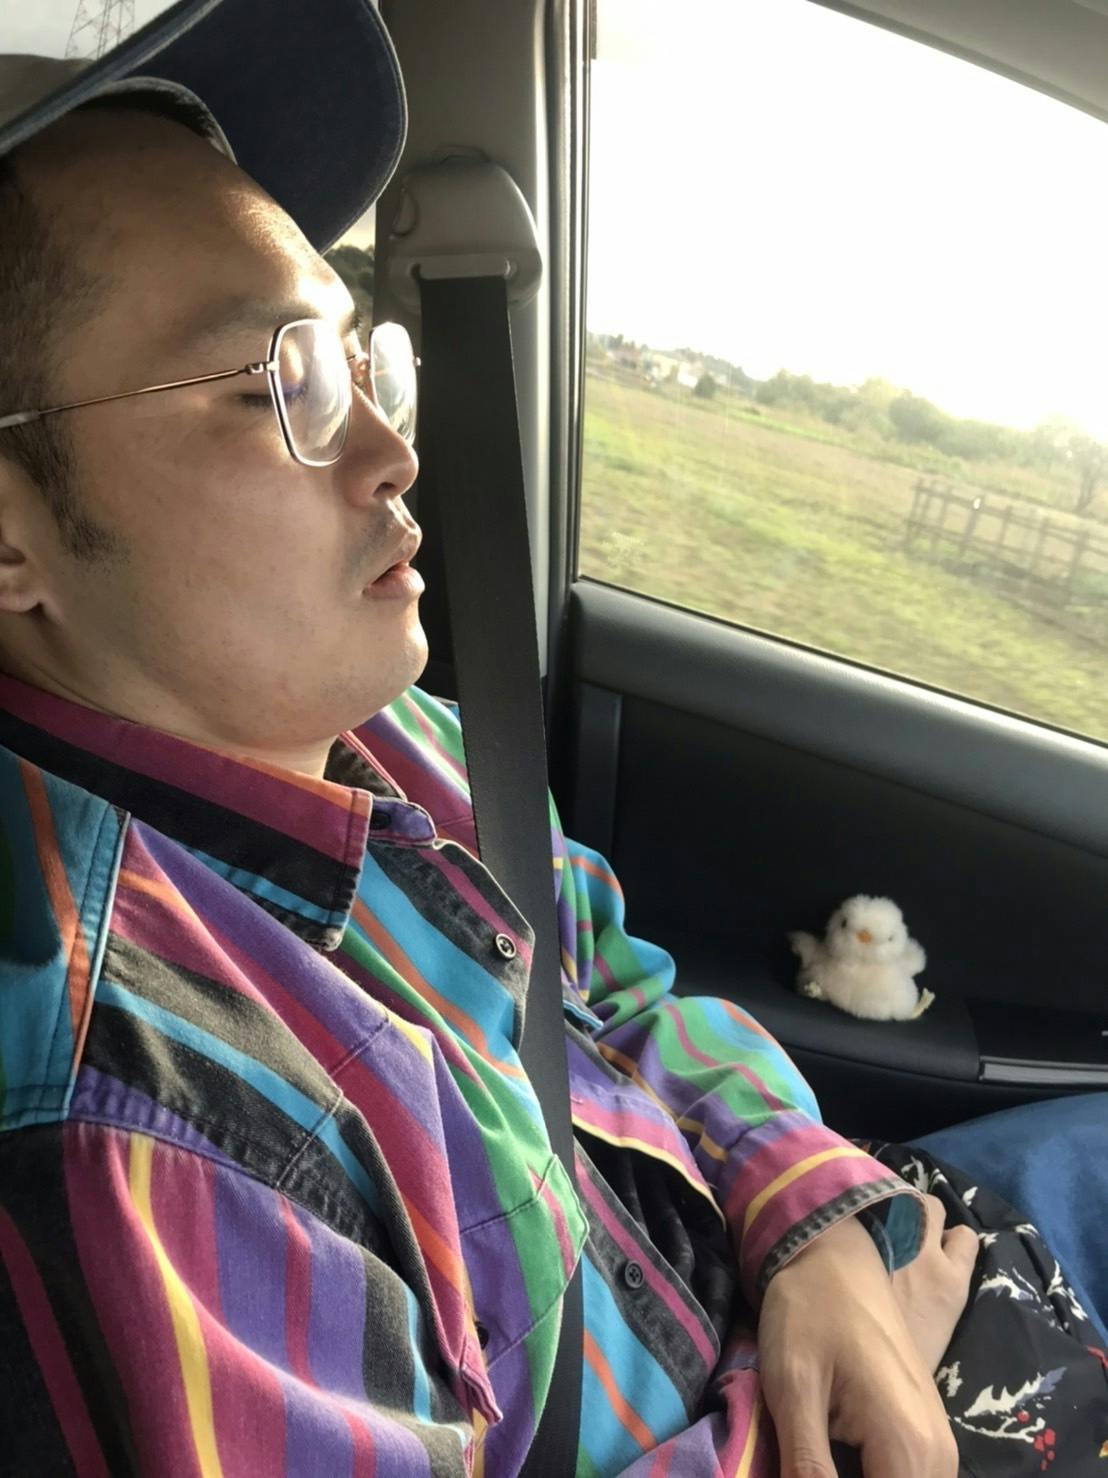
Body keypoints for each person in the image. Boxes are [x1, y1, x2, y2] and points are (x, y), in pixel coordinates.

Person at [0, 6, 1103, 1475]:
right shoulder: (138, 1134)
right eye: (277, 384)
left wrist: (815, 1221)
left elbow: (618, 990)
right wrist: (819, 1418)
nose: (392, 453)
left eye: (354, 359)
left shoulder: (385, 734)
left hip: (812, 1271)